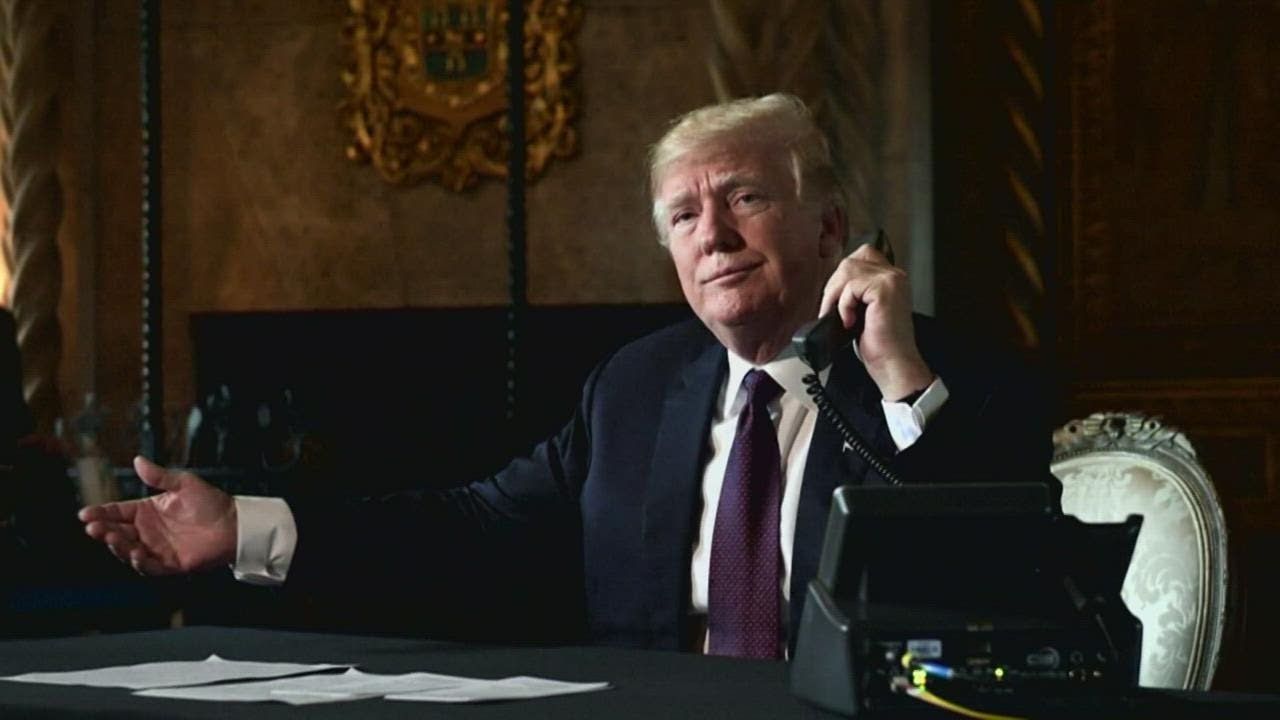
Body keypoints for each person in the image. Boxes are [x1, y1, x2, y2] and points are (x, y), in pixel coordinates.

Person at [79, 94, 1051, 658]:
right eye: (682, 216)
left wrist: (898, 382)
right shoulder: (635, 388)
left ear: (830, 226)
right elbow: (471, 528)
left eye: (745, 198)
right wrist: (243, 527)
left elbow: (998, 579)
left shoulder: (953, 377)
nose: (711, 235)